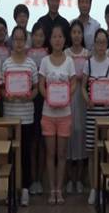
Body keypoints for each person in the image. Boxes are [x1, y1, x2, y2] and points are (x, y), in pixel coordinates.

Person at [39, 25, 77, 205]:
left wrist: (66, 96)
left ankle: (59, 190)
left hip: (64, 113)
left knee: (62, 154)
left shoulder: (69, 61)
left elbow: (74, 83)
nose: (57, 40)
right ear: (50, 39)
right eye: (54, 36)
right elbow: (41, 85)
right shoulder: (44, 61)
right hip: (48, 113)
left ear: (64, 39)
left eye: (60, 36)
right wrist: (49, 97)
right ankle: (51, 189)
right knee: (50, 153)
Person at [1, 26, 39, 206]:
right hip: (10, 115)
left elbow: (36, 88)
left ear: (26, 42)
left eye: (21, 39)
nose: (18, 43)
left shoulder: (31, 64)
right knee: (10, 155)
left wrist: (29, 96)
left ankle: (24, 189)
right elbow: (2, 88)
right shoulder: (6, 63)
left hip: (26, 116)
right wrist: (6, 95)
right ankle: (11, 189)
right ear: (12, 41)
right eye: (15, 39)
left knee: (25, 154)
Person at [83, 29, 109, 204]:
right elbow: (82, 87)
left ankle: (103, 188)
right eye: (98, 42)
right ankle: (93, 188)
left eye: (104, 42)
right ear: (94, 44)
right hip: (92, 114)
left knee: (104, 152)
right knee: (91, 153)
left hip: (106, 114)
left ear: (107, 43)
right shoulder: (88, 63)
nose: (101, 45)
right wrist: (87, 100)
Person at [64, 20, 89, 195]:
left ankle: (79, 179)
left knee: (81, 136)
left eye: (79, 32)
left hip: (83, 99)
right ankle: (69, 180)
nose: (77, 35)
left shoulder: (88, 54)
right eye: (74, 32)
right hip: (67, 97)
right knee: (68, 136)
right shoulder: (65, 54)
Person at [27, 22, 49, 196]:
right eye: (36, 35)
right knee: (32, 143)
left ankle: (40, 180)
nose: (39, 38)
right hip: (29, 101)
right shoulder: (25, 54)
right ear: (32, 36)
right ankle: (32, 178)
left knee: (42, 143)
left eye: (41, 35)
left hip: (45, 100)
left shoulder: (49, 55)